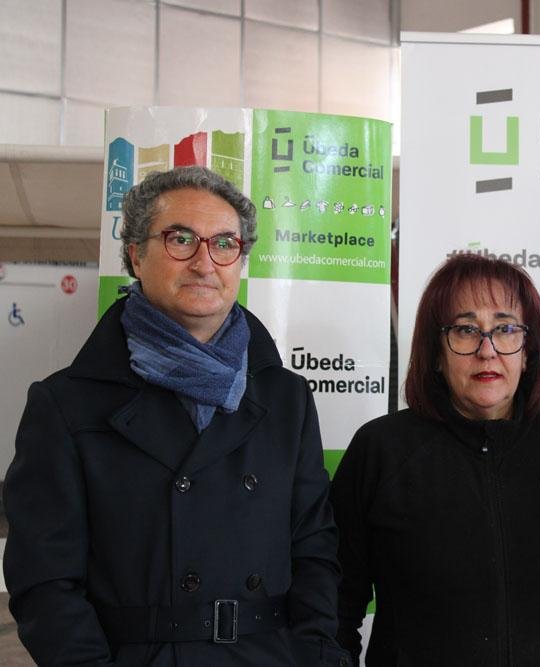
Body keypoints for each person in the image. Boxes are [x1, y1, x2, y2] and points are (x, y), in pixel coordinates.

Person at [4, 166, 352, 666]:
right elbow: (44, 581)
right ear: (134, 255)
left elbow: (315, 548)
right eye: (180, 239)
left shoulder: (285, 397)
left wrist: (318, 654)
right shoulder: (65, 404)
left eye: (225, 243)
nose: (204, 263)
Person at [330, 254, 540, 666]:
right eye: (465, 330)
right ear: (435, 352)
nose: (487, 351)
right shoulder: (381, 450)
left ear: (529, 351)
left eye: (505, 329)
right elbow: (335, 606)